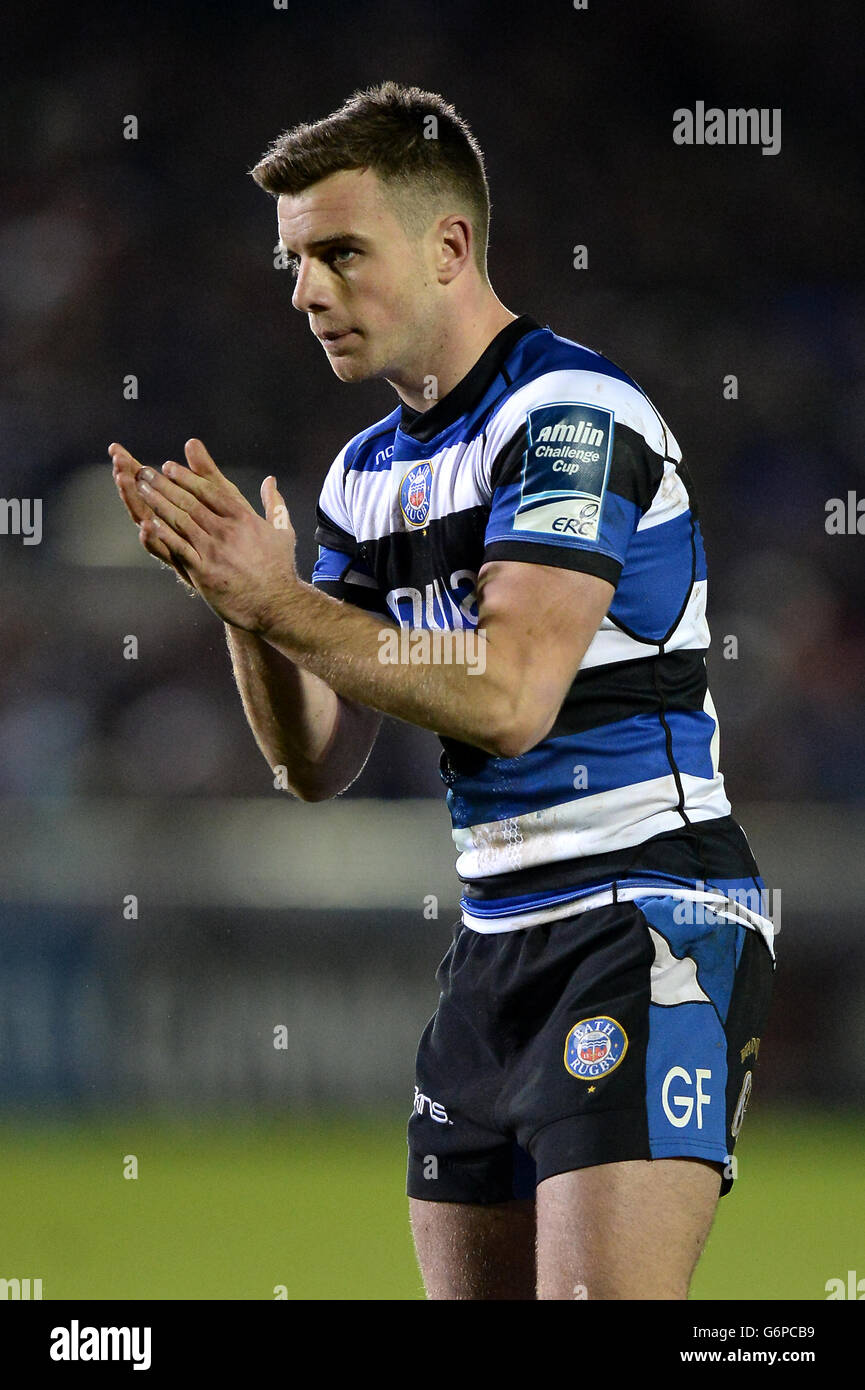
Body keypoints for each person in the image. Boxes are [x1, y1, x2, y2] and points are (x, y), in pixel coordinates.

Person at [109, 81, 775, 1300]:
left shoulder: (569, 414)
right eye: (292, 261)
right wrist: (243, 612)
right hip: (491, 944)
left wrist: (283, 604)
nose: (306, 290)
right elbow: (313, 762)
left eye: (339, 252)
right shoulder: (363, 472)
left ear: (449, 246)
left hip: (644, 915)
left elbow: (514, 692)